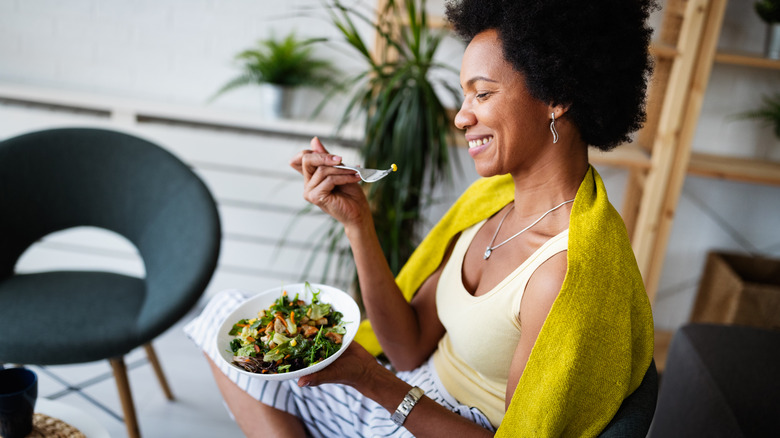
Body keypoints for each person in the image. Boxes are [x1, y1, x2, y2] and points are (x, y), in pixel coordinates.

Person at [184, 0, 657, 436]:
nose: (461, 117)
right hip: (406, 388)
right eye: (464, 95)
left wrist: (372, 380)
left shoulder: (564, 274)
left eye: (483, 94)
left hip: (438, 422)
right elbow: (407, 347)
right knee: (224, 313)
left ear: (557, 96)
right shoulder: (490, 202)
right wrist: (357, 223)